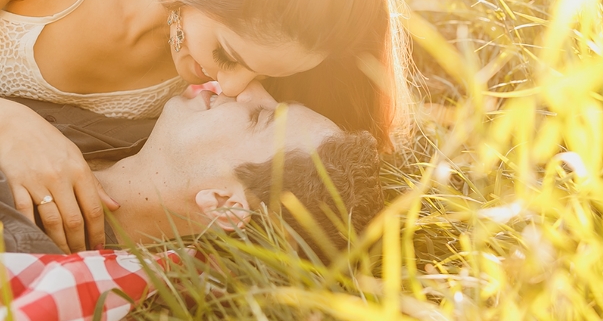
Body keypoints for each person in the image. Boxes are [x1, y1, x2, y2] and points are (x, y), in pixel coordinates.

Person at [0, 0, 409, 253]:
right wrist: (9, 123)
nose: (229, 86)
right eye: (227, 55)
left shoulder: (206, 114)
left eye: (260, 76)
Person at [0, 81, 384, 259]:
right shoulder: (129, 125)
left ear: (223, 203)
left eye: (262, 117)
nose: (249, 89)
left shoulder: (21, 239)